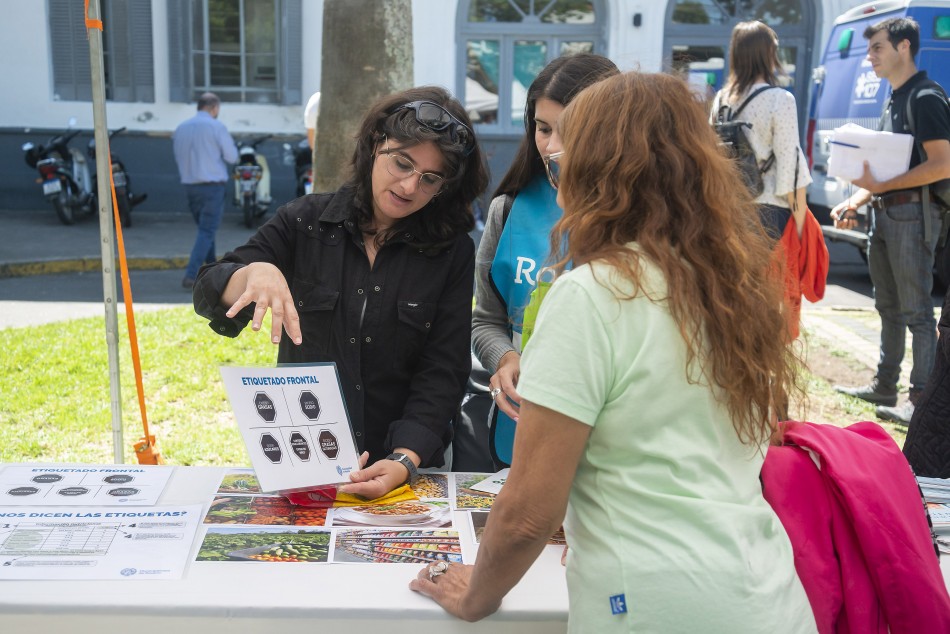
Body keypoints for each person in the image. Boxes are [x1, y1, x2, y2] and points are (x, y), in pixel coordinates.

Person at [410, 71, 815, 632]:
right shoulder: (729, 287)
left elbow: (528, 512)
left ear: (598, 172)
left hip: (653, 607)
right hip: (765, 594)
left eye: (562, 161)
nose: (554, 176)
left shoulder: (591, 294)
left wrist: (475, 596)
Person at [193, 86, 488, 499]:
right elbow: (208, 288)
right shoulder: (305, 222)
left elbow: (443, 369)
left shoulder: (451, 252)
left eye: (430, 179)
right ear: (375, 144)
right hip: (304, 461)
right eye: (402, 163)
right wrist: (251, 274)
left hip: (403, 466)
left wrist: (404, 459)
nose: (409, 186)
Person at [472, 53, 619, 466]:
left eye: (569, 130)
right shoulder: (508, 209)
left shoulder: (642, 223)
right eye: (543, 128)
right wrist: (505, 358)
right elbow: (486, 319)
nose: (552, 146)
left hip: (609, 446)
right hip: (519, 436)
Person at [831, 17, 950, 424]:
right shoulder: (894, 98)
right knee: (887, 306)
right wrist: (856, 200)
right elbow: (886, 171)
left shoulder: (926, 97)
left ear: (904, 47)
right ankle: (885, 385)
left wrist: (880, 187)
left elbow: (942, 164)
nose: (869, 56)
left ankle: (920, 401)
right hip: (886, 214)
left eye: (877, 47)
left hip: (914, 216)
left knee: (917, 311)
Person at [711, 21, 810, 241]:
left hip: (727, 209)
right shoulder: (780, 99)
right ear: (768, 55)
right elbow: (790, 168)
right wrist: (801, 230)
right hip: (768, 211)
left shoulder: (720, 100)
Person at [173, 92, 239, 290]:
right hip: (212, 187)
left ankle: (212, 269)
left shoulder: (181, 128)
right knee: (207, 231)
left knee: (205, 231)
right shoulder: (216, 126)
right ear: (214, 108)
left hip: (190, 186)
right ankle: (191, 274)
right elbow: (232, 157)